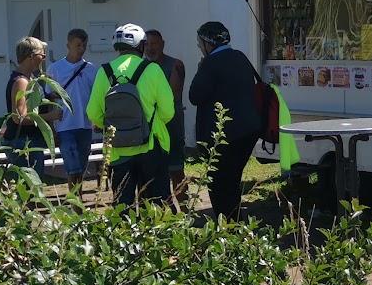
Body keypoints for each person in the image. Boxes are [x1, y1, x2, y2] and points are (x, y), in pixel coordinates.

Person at [86, 23, 175, 206]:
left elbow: (93, 113)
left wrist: (115, 125)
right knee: (154, 205)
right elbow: (168, 111)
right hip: (151, 146)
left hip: (118, 150)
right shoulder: (152, 69)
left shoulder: (105, 72)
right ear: (140, 45)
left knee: (122, 206)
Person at [189, 21, 261, 220]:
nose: (198, 46)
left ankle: (227, 225)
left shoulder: (210, 63)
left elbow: (194, 96)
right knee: (232, 179)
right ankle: (234, 221)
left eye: (199, 42)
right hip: (248, 131)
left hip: (223, 135)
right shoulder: (240, 57)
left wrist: (200, 69)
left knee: (219, 184)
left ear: (207, 43)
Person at [46, 27, 98, 192]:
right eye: (77, 45)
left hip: (85, 124)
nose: (81, 49)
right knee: (72, 167)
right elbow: (48, 99)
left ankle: (78, 198)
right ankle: (75, 201)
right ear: (68, 45)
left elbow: (95, 97)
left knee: (81, 167)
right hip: (64, 125)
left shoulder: (91, 69)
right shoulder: (55, 69)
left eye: (84, 45)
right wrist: (51, 126)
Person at [0, 35, 59, 179]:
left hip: (30, 140)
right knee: (30, 188)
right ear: (31, 56)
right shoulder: (21, 82)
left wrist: (49, 97)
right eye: (41, 54)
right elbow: (19, 117)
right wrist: (51, 116)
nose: (44, 58)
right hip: (22, 142)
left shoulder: (30, 79)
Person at [144, 29, 187, 195]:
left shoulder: (175, 64)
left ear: (162, 44)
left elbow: (171, 95)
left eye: (154, 43)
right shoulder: (141, 67)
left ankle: (184, 211)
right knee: (153, 174)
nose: (150, 48)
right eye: (146, 44)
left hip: (172, 127)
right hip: (150, 130)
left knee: (176, 171)